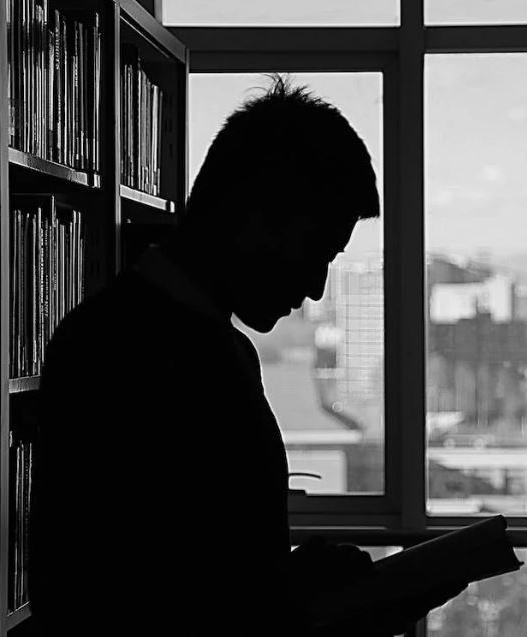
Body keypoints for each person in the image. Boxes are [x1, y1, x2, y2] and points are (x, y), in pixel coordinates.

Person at [30, 76, 463, 636]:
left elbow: (191, 572)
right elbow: (112, 598)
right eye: (317, 250)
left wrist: (292, 579)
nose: (315, 287)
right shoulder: (131, 352)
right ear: (258, 215)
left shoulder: (143, 338)